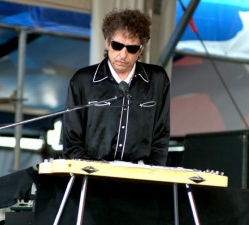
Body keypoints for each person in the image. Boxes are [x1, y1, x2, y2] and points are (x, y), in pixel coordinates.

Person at [62, 8, 170, 166]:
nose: (123, 54)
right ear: (107, 42)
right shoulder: (83, 80)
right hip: (91, 176)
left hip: (139, 178)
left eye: (132, 48)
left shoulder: (157, 80)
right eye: (117, 45)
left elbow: (161, 136)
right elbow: (71, 141)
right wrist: (92, 170)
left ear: (141, 49)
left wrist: (152, 173)